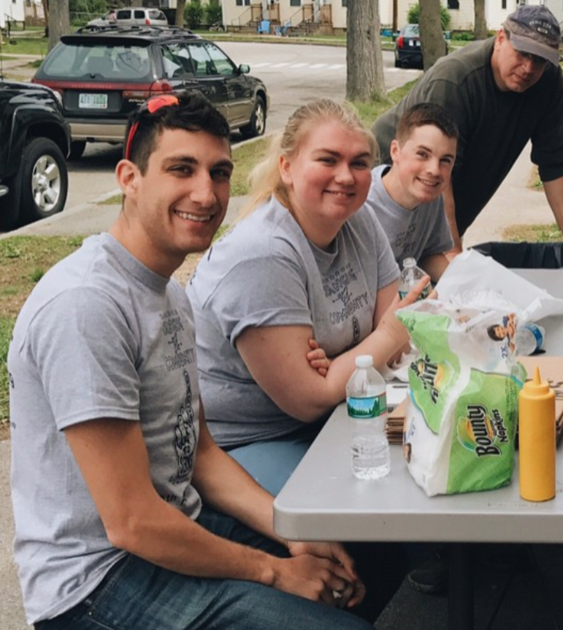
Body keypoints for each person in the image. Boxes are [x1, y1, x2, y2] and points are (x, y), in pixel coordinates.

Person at [8, 92, 375, 629]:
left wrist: (292, 531)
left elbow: (199, 454)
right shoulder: (86, 306)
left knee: (353, 561)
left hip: (177, 527)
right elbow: (132, 522)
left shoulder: (171, 296)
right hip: (97, 583)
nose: (206, 194)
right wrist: (275, 571)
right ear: (129, 178)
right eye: (181, 169)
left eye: (219, 173)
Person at [187, 99, 425, 497]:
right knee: (364, 501)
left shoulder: (359, 220)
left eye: (360, 163)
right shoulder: (263, 253)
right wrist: (382, 338)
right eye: (328, 160)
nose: (345, 177)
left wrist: (339, 364)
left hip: (333, 416)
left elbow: (396, 351)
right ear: (286, 167)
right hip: (245, 441)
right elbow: (311, 398)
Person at [372, 4, 563, 257]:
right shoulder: (455, 81)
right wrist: (453, 254)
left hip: (441, 191)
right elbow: (440, 174)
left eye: (540, 59)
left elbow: (554, 161)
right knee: (396, 266)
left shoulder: (547, 80)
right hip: (388, 184)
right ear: (500, 38)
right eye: (523, 53)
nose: (529, 68)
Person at [365, 102, 457, 282]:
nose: (434, 170)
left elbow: (429, 255)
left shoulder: (430, 196)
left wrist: (463, 284)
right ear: (395, 151)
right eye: (422, 154)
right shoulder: (363, 206)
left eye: (445, 160)